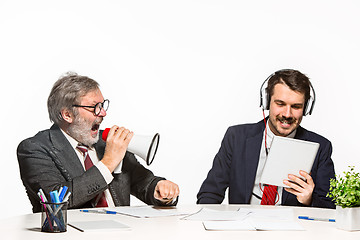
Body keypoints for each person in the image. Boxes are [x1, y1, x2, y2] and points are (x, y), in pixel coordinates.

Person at [17, 72, 180, 213]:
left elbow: (144, 183)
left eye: (103, 105)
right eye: (95, 107)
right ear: (67, 114)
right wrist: (108, 162)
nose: (103, 113)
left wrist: (160, 189)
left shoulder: (107, 142)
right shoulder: (34, 149)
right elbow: (56, 201)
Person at [197, 69, 335, 209]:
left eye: (296, 106)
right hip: (243, 227)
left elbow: (330, 208)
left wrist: (309, 199)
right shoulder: (236, 137)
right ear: (267, 101)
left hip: (292, 228)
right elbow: (210, 194)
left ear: (306, 109)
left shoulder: (320, 147)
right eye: (280, 104)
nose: (287, 114)